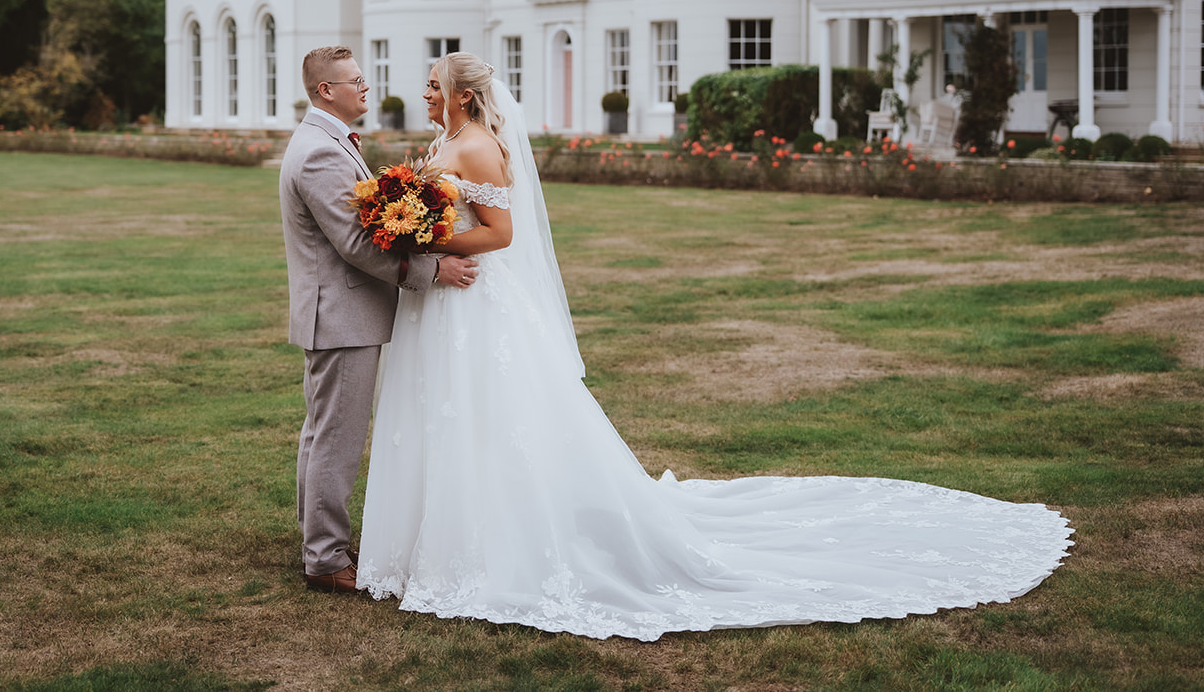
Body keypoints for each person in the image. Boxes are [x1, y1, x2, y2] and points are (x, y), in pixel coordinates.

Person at [357, 52, 1073, 640]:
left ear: (462, 94)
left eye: (432, 86)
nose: (423, 94)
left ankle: (492, 543)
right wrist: (416, 227)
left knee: (489, 417)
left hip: (476, 297)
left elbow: (502, 236)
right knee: (445, 418)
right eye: (425, 85)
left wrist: (430, 237)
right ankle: (436, 541)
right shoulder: (443, 144)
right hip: (444, 302)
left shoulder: (479, 146)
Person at [278, 46, 477, 594]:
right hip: (342, 314)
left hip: (338, 313)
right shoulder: (320, 152)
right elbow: (357, 245)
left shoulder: (329, 141)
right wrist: (432, 272)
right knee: (336, 438)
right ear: (326, 90)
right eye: (357, 81)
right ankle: (324, 558)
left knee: (323, 433)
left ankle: (321, 540)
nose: (366, 89)